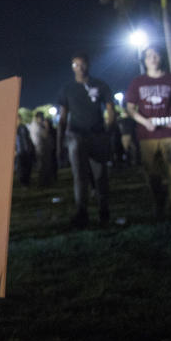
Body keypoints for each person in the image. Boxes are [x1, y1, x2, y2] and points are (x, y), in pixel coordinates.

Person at [124, 45, 171, 218]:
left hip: (170, 134)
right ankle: (159, 204)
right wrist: (144, 121)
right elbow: (130, 108)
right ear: (144, 61)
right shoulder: (137, 82)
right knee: (152, 175)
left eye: (156, 55)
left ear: (161, 58)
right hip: (147, 136)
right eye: (149, 56)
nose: (153, 58)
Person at [56, 53, 115, 228]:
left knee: (100, 176)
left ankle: (104, 211)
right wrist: (60, 143)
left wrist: (109, 132)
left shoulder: (100, 85)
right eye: (75, 65)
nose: (79, 68)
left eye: (82, 65)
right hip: (76, 137)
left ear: (88, 65)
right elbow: (63, 117)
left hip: (97, 135)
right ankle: (82, 212)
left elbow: (111, 109)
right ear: (71, 67)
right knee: (79, 177)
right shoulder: (67, 89)